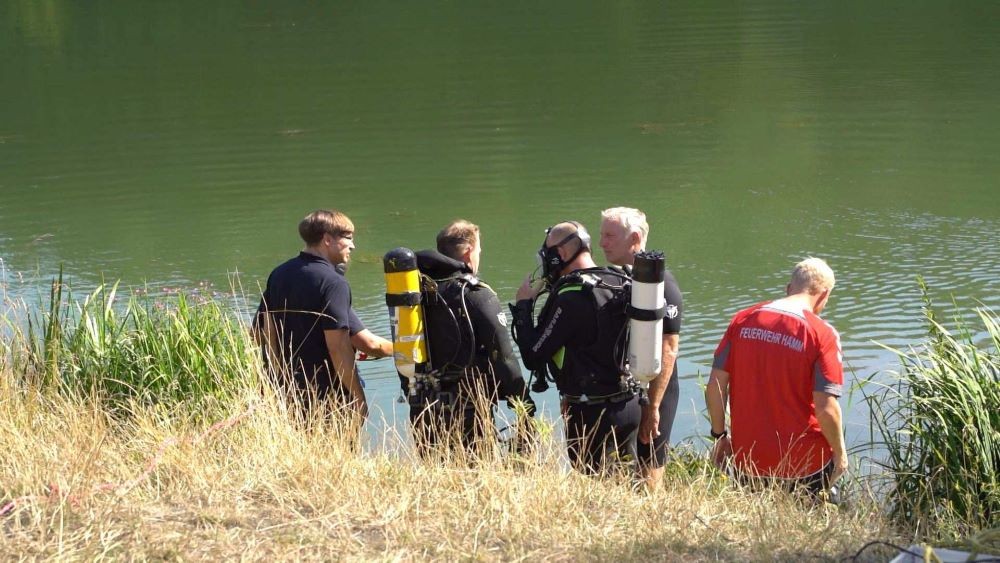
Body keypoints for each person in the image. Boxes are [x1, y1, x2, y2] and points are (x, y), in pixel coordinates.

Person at [705, 257, 847, 501]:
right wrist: (840, 453)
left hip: (748, 460)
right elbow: (826, 408)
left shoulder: (742, 320)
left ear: (788, 288)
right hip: (805, 464)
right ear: (823, 296)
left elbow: (716, 386)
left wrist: (720, 437)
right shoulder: (821, 334)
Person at [511, 221, 641, 475]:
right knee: (626, 487)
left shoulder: (571, 295)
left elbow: (533, 355)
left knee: (596, 489)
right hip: (630, 403)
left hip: (591, 413)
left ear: (559, 256)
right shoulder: (619, 280)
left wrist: (523, 307)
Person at [404, 219, 535, 454]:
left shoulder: (415, 293)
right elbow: (504, 357)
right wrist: (525, 406)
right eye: (479, 251)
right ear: (469, 251)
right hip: (467, 410)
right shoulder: (475, 294)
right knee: (471, 481)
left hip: (422, 404)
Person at [255, 209, 391, 421]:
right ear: (327, 239)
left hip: (287, 391)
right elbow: (337, 347)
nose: (353, 246)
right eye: (348, 238)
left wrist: (274, 381)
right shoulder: (333, 283)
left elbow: (261, 332)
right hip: (328, 397)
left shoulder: (280, 273)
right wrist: (358, 398)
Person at [599, 207, 682, 490]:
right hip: (623, 387)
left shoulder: (663, 285)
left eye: (609, 236)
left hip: (657, 387)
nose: (602, 243)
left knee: (648, 467)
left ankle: (650, 521)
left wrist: (654, 406)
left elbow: (669, 348)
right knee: (614, 469)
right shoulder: (610, 279)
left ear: (634, 238)